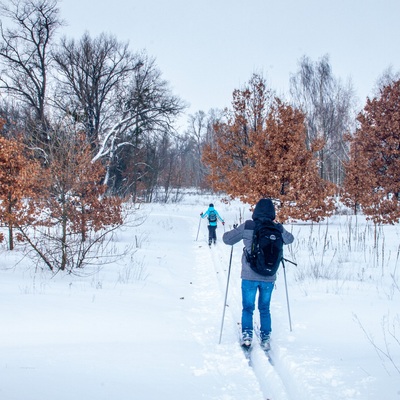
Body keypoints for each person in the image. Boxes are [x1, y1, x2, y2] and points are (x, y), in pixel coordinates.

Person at [222, 198, 294, 350]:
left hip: (249, 275)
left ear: (256, 211)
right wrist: (279, 229)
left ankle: (247, 335)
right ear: (272, 212)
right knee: (265, 307)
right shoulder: (277, 228)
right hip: (269, 276)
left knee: (248, 307)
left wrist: (233, 230)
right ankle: (265, 337)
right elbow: (290, 240)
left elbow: (227, 240)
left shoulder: (248, 226)